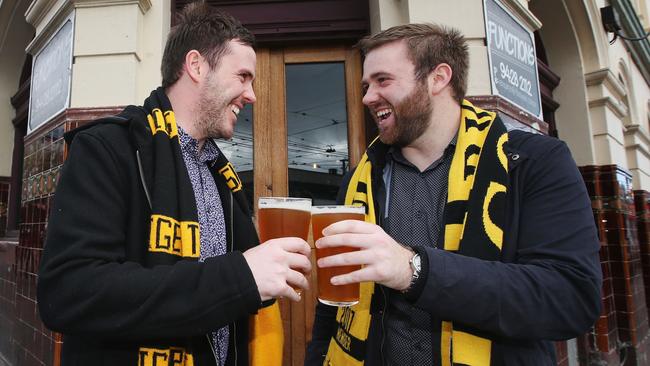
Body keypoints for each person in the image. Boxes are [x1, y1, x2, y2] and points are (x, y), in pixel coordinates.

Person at [306, 23, 602, 365]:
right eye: (366, 85)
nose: (368, 97)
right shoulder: (360, 177)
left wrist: (413, 270)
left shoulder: (534, 162)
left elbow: (571, 298)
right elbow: (334, 298)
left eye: (383, 80)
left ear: (438, 78)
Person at [37, 3, 311, 366]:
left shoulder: (223, 175)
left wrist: (264, 271)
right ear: (196, 66)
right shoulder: (108, 149)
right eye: (243, 76)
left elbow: (232, 294)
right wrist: (240, 276)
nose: (252, 95)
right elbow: (68, 293)